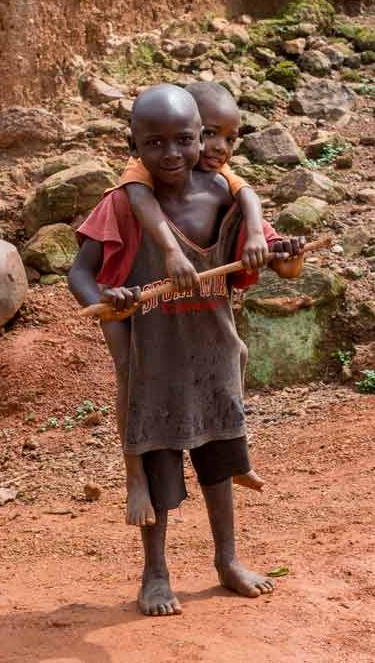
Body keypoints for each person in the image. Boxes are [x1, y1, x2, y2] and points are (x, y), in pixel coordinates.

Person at [67, 84, 304, 617]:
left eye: (183, 140)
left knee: (219, 463)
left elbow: (273, 264)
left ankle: (227, 560)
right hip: (155, 358)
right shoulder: (121, 204)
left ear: (201, 138)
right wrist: (108, 303)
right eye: (155, 144)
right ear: (133, 144)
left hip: (213, 352)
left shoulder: (222, 195)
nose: (171, 154)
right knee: (158, 467)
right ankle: (155, 573)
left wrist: (287, 254)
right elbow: (79, 274)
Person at [119, 80, 288, 493]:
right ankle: (135, 479)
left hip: (198, 311)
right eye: (210, 134)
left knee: (233, 356)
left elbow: (247, 193)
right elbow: (138, 199)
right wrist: (172, 253)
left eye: (230, 138)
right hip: (140, 309)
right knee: (132, 376)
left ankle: (237, 455)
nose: (219, 148)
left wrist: (259, 239)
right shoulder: (144, 171)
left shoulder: (213, 182)